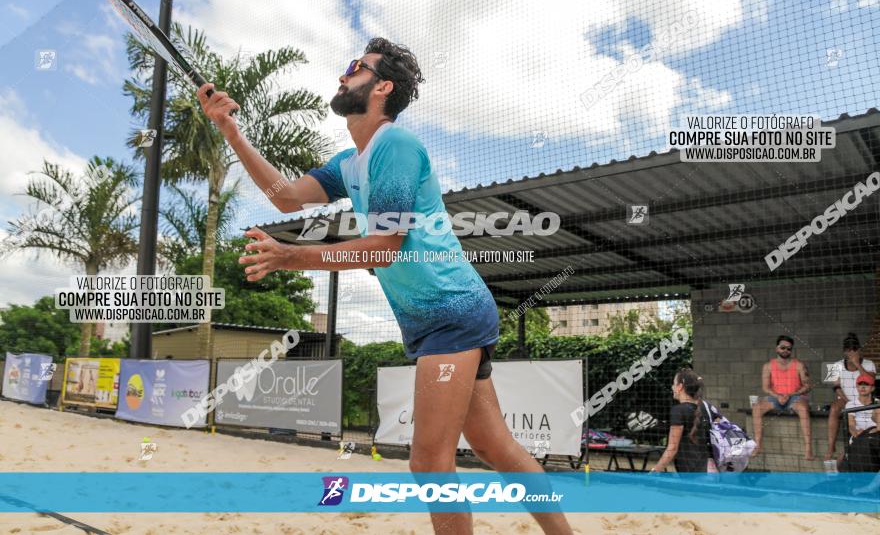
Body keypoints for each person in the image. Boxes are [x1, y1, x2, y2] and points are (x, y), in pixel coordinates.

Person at [197, 38, 572, 535]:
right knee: (494, 446)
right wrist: (229, 129)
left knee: (430, 465)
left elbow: (383, 247)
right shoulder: (350, 162)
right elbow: (285, 198)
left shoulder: (395, 145)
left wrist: (291, 256)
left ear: (382, 87)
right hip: (437, 319)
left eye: (355, 67)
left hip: (451, 312)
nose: (342, 75)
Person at [751, 335, 813, 460]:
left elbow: (807, 386)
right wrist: (778, 396)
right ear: (777, 348)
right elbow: (765, 387)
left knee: (803, 409)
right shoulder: (768, 366)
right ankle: (758, 445)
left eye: (788, 349)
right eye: (783, 347)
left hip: (795, 397)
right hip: (776, 397)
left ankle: (808, 449)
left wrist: (790, 394)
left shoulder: (799, 365)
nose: (785, 350)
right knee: (756, 408)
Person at [651, 368, 718, 473]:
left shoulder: (678, 411)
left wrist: (654, 471)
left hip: (693, 474)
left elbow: (672, 448)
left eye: (674, 384)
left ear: (680, 387)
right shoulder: (707, 408)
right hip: (713, 470)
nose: (672, 387)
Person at [826, 333, 877, 461]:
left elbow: (870, 380)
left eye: (854, 350)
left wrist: (857, 364)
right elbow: (835, 388)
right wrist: (848, 401)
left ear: (859, 350)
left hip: (865, 400)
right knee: (833, 408)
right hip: (845, 399)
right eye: (849, 351)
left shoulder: (869, 363)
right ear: (844, 352)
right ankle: (831, 446)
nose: (852, 353)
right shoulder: (836, 365)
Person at [842, 373, 880, 472]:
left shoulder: (877, 402)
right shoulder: (851, 404)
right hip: (859, 435)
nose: (862, 387)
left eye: (866, 384)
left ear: (872, 388)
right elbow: (851, 425)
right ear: (857, 387)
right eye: (860, 384)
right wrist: (855, 432)